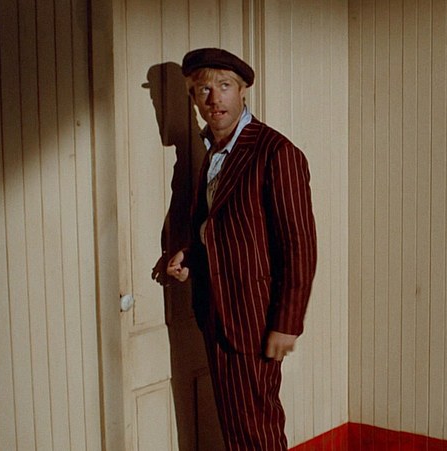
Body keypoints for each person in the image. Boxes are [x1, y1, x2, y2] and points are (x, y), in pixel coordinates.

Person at [166, 47, 317, 450]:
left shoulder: (276, 152)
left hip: (255, 317)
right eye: (204, 90)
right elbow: (224, 228)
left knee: (256, 429)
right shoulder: (213, 151)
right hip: (216, 310)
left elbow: (299, 245)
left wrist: (287, 322)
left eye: (225, 86)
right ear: (194, 97)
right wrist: (191, 256)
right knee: (236, 427)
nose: (214, 99)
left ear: (243, 90)